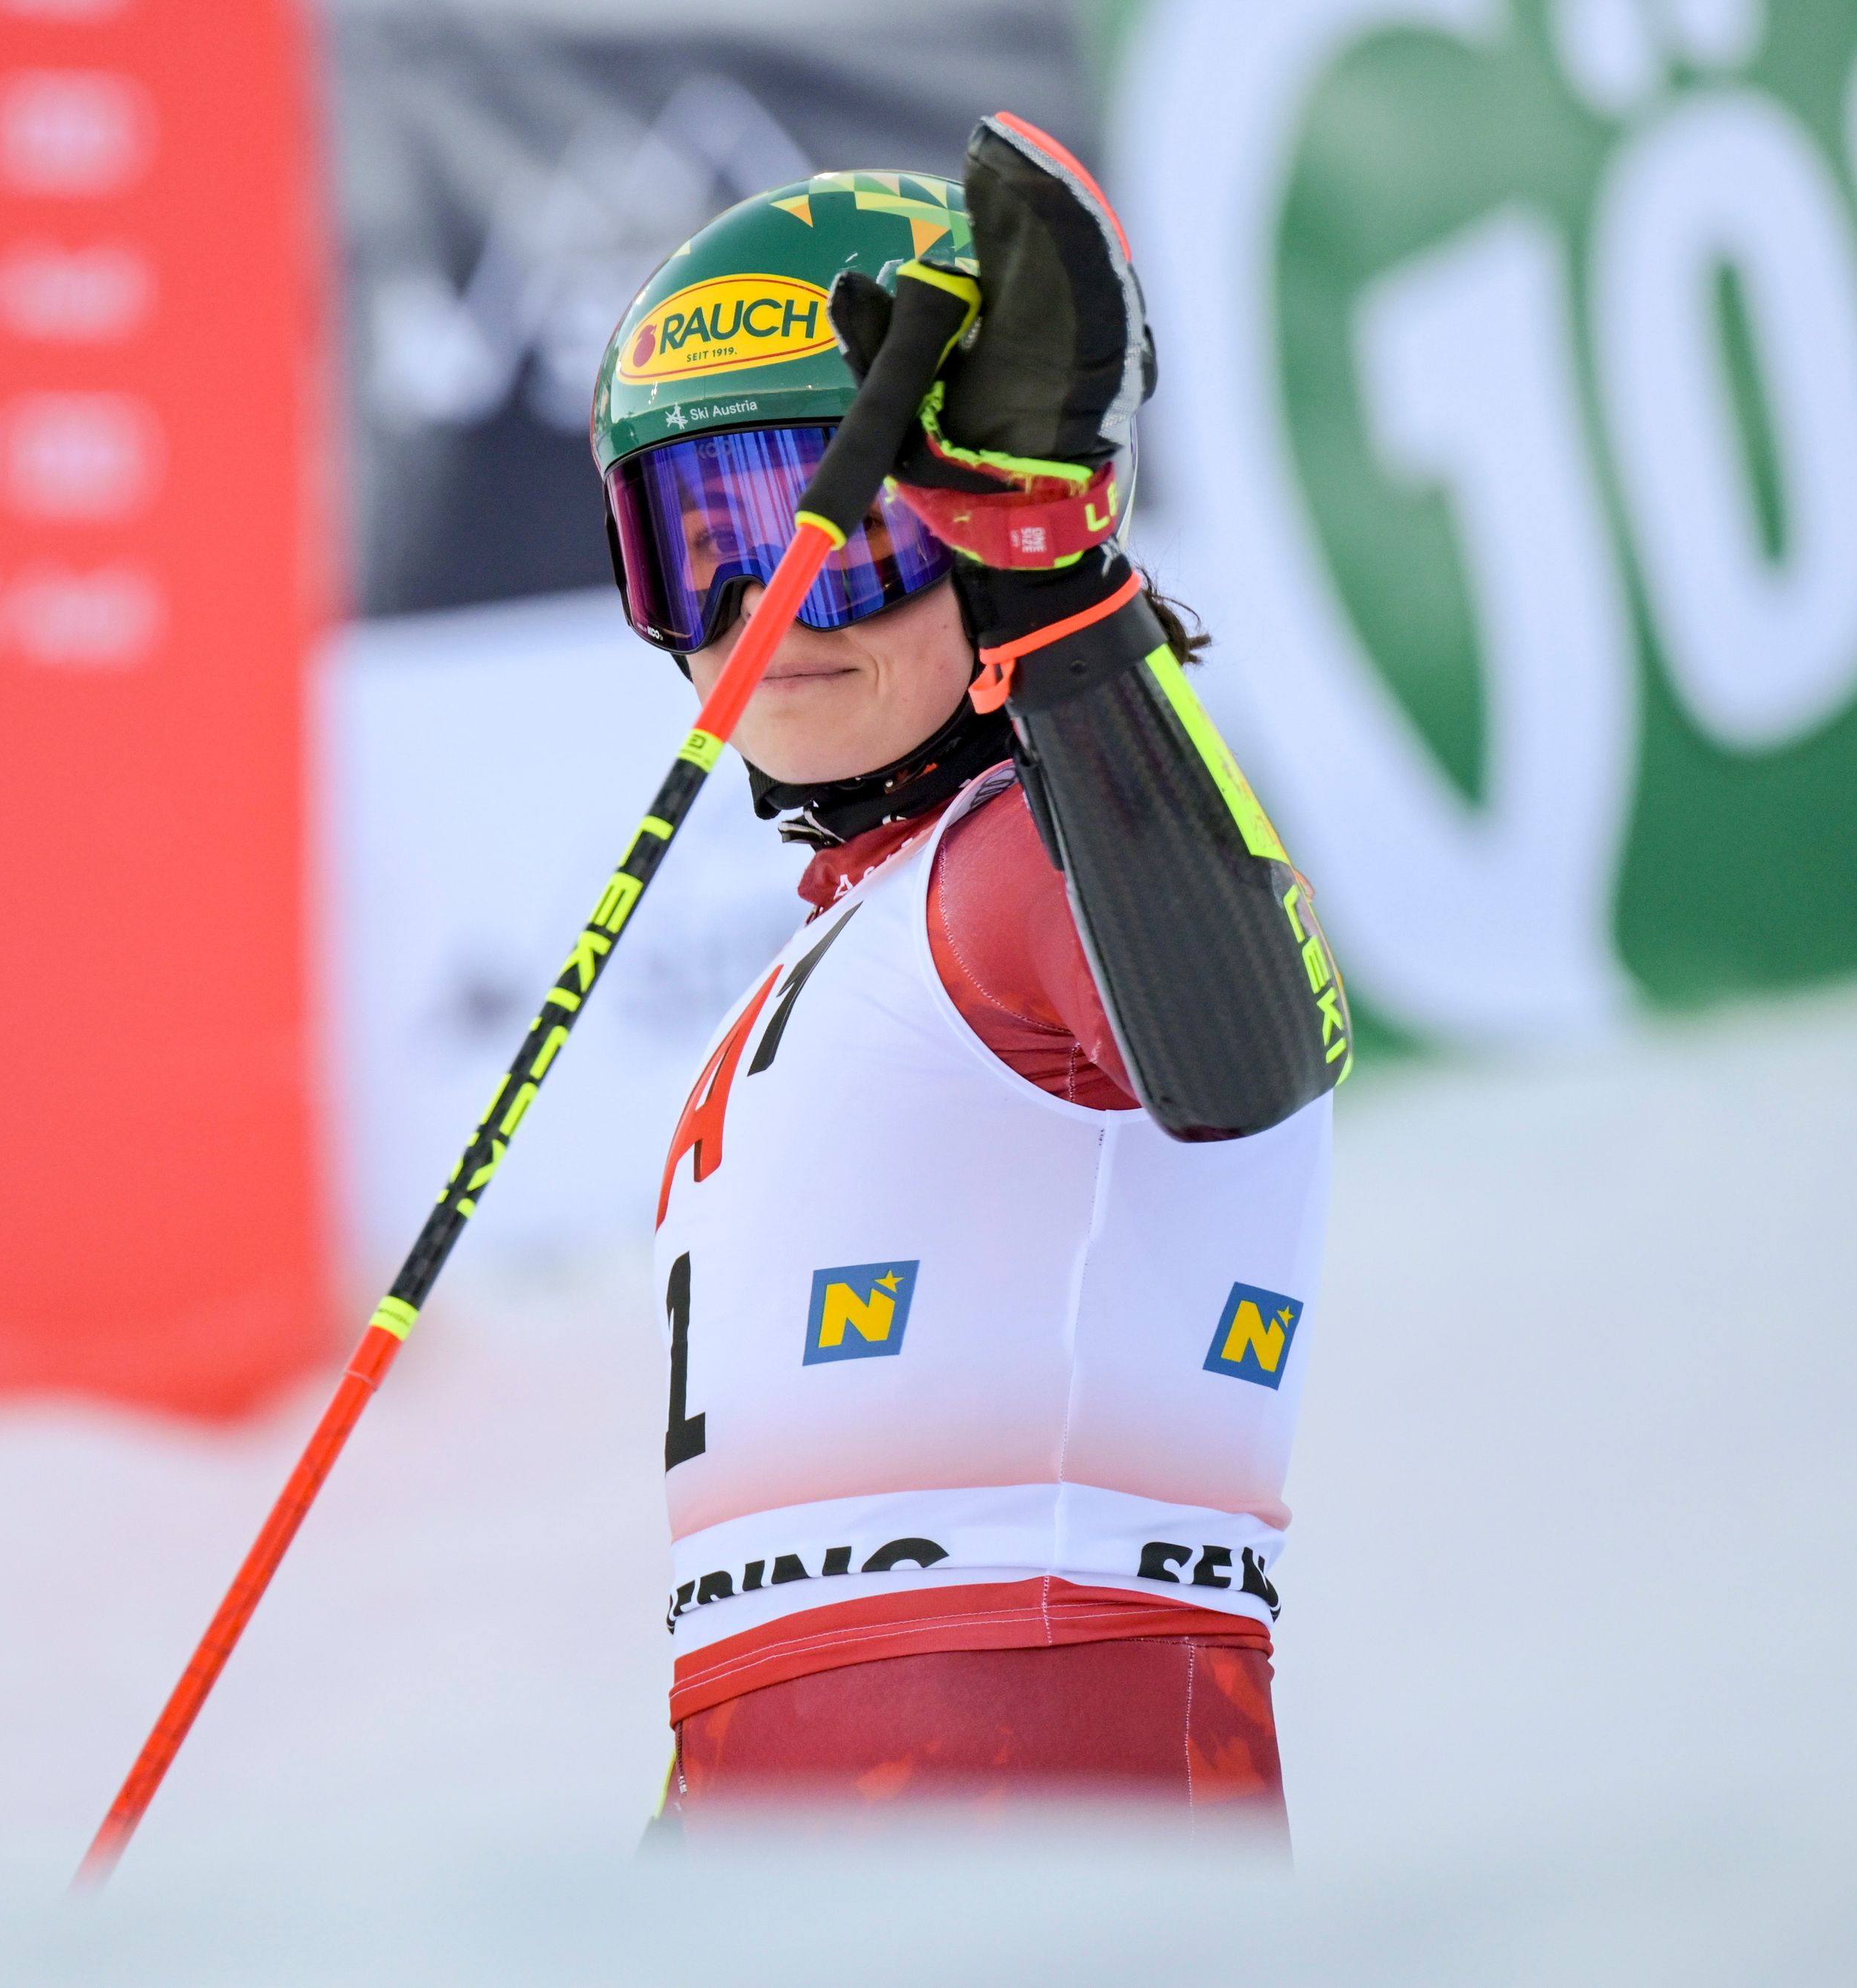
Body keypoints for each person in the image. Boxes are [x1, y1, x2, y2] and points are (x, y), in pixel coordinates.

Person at [593, 119, 1351, 1838]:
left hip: (1042, 1763)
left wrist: (1068, 601)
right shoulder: (837, 935)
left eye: (831, 533)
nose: (763, 608)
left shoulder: (1023, 861)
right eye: (695, 541)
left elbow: (1244, 1052)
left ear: (983, 519)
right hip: (788, 1801)